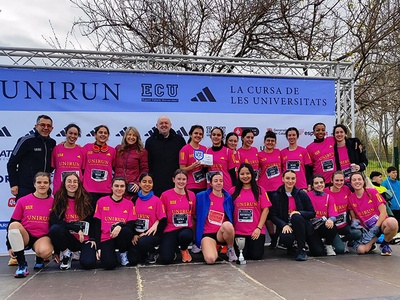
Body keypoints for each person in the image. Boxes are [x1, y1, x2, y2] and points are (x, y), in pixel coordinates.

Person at [6, 172, 54, 278]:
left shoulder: (54, 202)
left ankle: (39, 257)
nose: (42, 185)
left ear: (49, 184)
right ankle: (22, 265)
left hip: (42, 237)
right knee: (14, 226)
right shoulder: (23, 201)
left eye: (45, 182)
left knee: (45, 252)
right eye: (39, 182)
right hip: (26, 236)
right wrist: (9, 245)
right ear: (34, 184)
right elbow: (12, 222)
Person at [269, 170, 323, 261]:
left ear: (296, 180)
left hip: (304, 227)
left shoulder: (302, 194)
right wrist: (283, 225)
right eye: (287, 178)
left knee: (319, 252)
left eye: (293, 178)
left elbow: (312, 213)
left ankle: (302, 245)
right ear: (283, 179)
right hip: (288, 227)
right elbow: (273, 216)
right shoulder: (276, 196)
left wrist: (300, 213)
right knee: (286, 238)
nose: (290, 181)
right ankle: (300, 250)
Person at [49, 172, 97, 270]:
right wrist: (75, 228)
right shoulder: (59, 198)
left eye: (75, 182)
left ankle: (82, 254)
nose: (72, 184)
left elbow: (94, 220)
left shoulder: (87, 198)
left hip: (84, 239)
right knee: (55, 229)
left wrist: (93, 238)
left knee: (88, 264)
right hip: (69, 238)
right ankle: (67, 254)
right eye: (69, 181)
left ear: (79, 184)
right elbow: (55, 221)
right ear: (64, 183)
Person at [7, 114, 56, 200]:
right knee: (23, 213)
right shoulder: (26, 140)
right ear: (36, 126)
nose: (45, 128)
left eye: (48, 126)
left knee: (44, 213)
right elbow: (12, 163)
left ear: (52, 128)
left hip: (44, 188)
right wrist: (14, 184)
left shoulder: (52, 143)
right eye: (42, 125)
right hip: (26, 188)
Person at [348, 172, 398, 255]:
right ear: (351, 183)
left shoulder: (372, 192)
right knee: (361, 250)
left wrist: (376, 227)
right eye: (354, 180)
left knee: (392, 223)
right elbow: (353, 218)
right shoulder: (350, 198)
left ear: (364, 181)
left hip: (381, 224)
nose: (357, 182)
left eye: (359, 179)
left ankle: (385, 243)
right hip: (368, 230)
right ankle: (372, 244)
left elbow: (383, 212)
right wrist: (357, 226)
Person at [93, 177, 137, 269]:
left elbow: (131, 224)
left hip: (122, 237)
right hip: (106, 238)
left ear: (125, 188)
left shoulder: (129, 204)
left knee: (126, 231)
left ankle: (123, 253)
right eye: (116, 186)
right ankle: (111, 255)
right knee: (109, 265)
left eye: (122, 186)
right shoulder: (101, 202)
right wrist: (98, 247)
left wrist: (119, 226)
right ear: (111, 187)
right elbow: (97, 225)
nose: (119, 189)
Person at [230, 163, 271, 260]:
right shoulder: (232, 191)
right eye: (242, 174)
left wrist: (259, 228)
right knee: (243, 256)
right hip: (239, 232)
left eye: (248, 173)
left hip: (256, 231)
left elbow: (266, 209)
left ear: (252, 174)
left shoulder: (260, 190)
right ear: (238, 175)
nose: (245, 176)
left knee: (256, 256)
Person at [196, 173, 237, 264]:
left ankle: (230, 249)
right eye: (215, 181)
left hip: (221, 233)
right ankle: (213, 248)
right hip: (208, 234)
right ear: (210, 184)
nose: (218, 183)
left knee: (228, 225)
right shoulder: (201, 196)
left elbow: (231, 214)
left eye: (220, 181)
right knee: (210, 260)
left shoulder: (228, 198)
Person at [159, 169, 196, 264]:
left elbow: (193, 214)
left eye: (184, 179)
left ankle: (184, 249)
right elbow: (161, 214)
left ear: (187, 181)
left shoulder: (191, 195)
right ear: (173, 180)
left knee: (186, 235)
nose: (181, 181)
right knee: (166, 259)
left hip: (185, 229)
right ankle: (174, 249)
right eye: (178, 179)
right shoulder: (165, 195)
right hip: (170, 229)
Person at [131, 173, 167, 264]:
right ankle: (145, 254)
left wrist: (146, 233)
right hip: (136, 236)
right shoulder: (134, 200)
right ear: (139, 183)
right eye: (144, 182)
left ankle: (153, 252)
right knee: (133, 260)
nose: (147, 184)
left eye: (150, 182)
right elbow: (130, 220)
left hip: (152, 235)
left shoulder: (157, 201)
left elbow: (163, 221)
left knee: (143, 242)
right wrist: (134, 234)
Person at [145, 116, 186, 196]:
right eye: (161, 123)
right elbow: (148, 162)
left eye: (166, 123)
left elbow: (183, 161)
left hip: (175, 181)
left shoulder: (179, 140)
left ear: (170, 125)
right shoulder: (150, 141)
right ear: (157, 126)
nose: (164, 125)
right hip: (156, 182)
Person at [326, 171, 362, 253]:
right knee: (340, 250)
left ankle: (343, 240)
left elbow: (351, 205)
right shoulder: (326, 192)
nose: (339, 183)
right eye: (337, 180)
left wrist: (353, 219)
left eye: (341, 180)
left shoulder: (346, 189)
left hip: (344, 225)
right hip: (332, 227)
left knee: (358, 233)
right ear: (332, 181)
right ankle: (330, 241)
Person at [82, 125, 116, 208]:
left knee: (103, 217)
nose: (103, 134)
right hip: (88, 189)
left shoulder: (112, 151)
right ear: (95, 135)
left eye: (105, 133)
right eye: (100, 132)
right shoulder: (86, 148)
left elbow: (115, 168)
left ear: (108, 136)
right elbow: (81, 168)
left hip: (106, 190)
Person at [307, 175, 338, 256]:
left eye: (321, 182)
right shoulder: (307, 196)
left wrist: (330, 219)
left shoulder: (329, 197)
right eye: (316, 183)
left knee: (332, 226)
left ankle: (328, 244)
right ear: (312, 185)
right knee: (318, 252)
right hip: (311, 227)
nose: (319, 185)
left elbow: (334, 215)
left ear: (324, 184)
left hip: (322, 226)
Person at [114, 126, 148, 195]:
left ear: (137, 137)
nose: (131, 137)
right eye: (129, 134)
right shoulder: (118, 149)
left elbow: (144, 169)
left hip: (132, 188)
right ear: (125, 136)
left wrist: (138, 182)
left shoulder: (142, 151)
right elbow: (113, 166)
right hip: (118, 186)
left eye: (134, 135)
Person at [51, 123, 83, 193]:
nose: (72, 136)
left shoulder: (82, 150)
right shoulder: (57, 149)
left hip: (76, 189)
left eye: (75, 134)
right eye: (70, 133)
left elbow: (83, 170)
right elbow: (54, 167)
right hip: (59, 189)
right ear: (65, 133)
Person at [206, 127, 238, 191]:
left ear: (222, 138)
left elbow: (232, 172)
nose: (216, 137)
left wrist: (235, 188)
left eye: (218, 135)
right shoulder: (207, 151)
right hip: (211, 186)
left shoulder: (228, 151)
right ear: (210, 136)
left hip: (226, 186)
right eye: (214, 134)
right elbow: (206, 171)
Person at [179, 125, 207, 194]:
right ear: (191, 135)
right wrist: (192, 167)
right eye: (196, 133)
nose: (198, 135)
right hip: (190, 185)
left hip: (204, 184)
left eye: (200, 134)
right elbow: (181, 169)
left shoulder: (205, 149)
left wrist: (206, 165)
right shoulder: (184, 149)